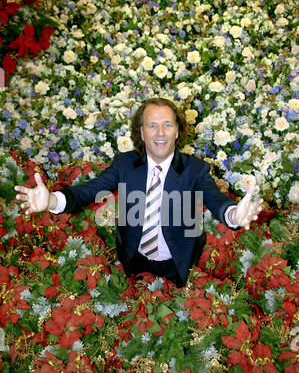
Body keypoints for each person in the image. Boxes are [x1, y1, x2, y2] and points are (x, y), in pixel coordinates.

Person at [15, 97, 263, 287]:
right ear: (141, 133)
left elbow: (214, 197)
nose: (160, 133)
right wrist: (52, 200)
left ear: (177, 131)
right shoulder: (124, 164)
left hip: (179, 260)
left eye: (167, 125)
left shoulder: (194, 169)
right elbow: (90, 190)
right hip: (133, 257)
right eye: (152, 126)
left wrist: (233, 215)